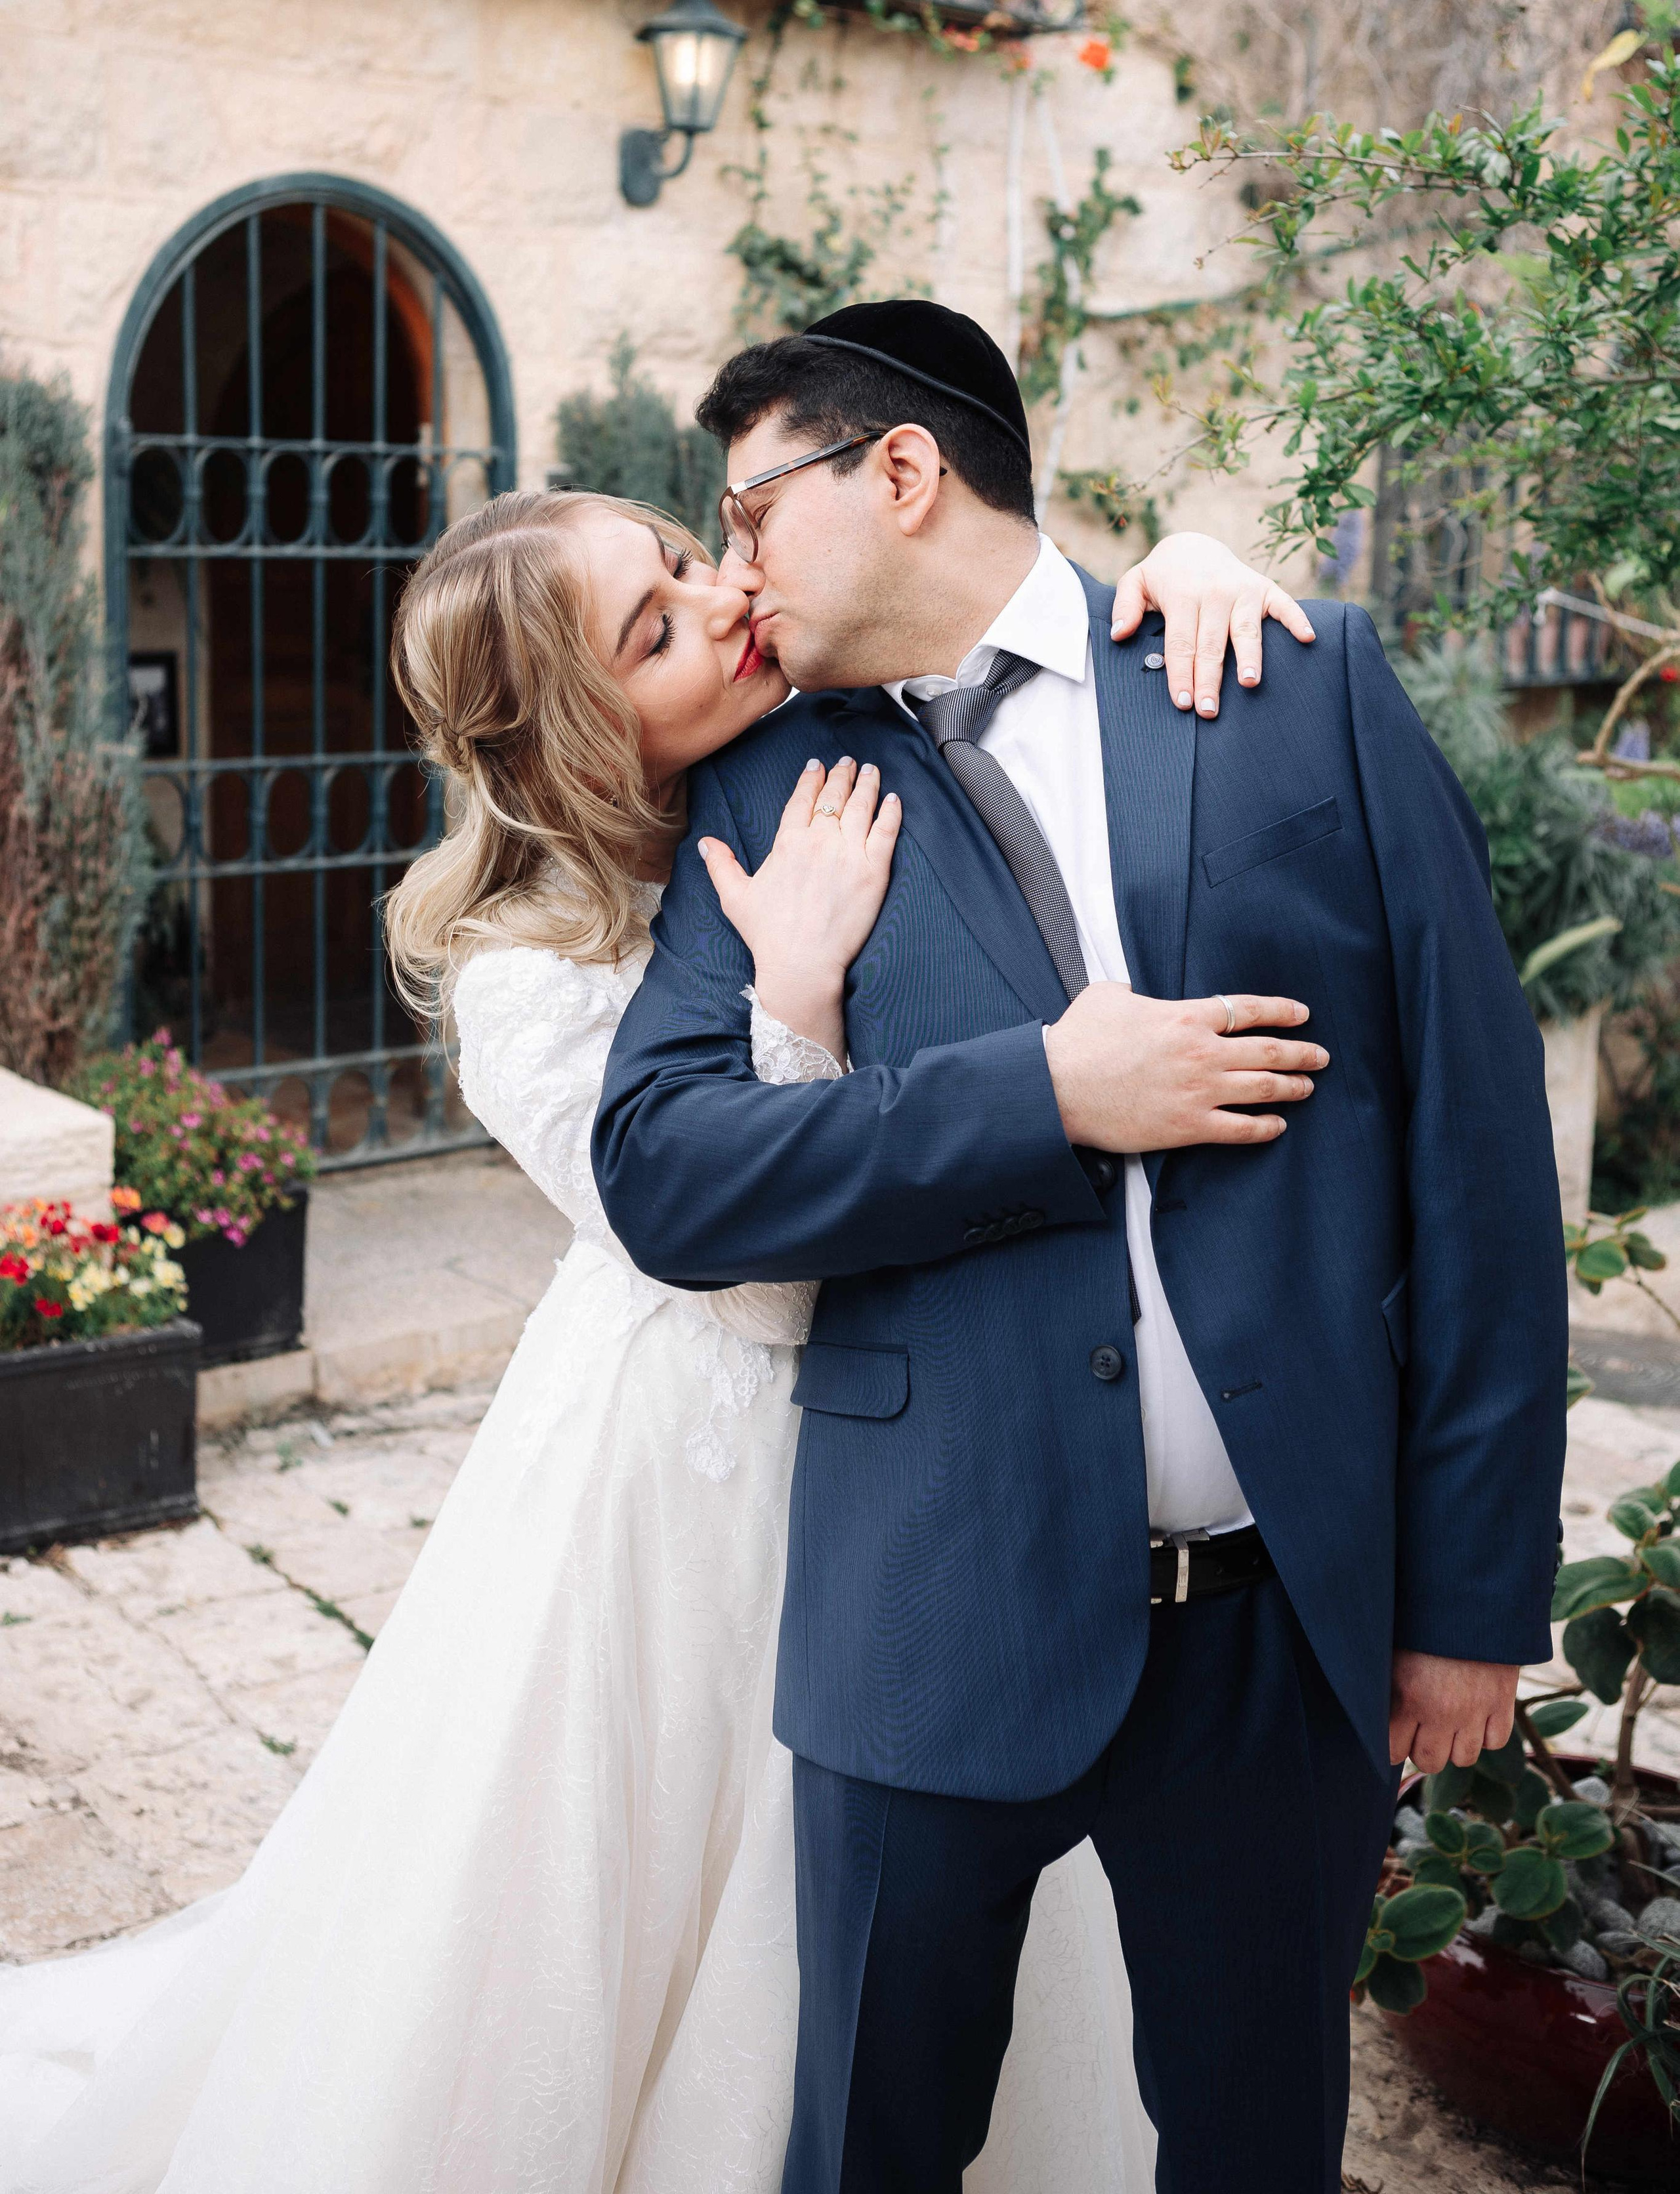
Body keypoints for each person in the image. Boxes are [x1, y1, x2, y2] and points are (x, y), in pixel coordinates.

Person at [0, 469, 1300, 2193]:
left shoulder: (826, 738)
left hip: (936, 1451)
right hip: (689, 1479)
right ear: (567, 736)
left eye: (688, 561)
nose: (723, 601)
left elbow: (1007, 639)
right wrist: (798, 996)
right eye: (656, 627)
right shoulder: (526, 983)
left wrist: (1185, 573)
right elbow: (753, 1284)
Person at [592, 299, 1571, 2194]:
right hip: (926, 1610)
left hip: (1277, 1641)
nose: (732, 576)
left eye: (748, 512)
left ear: (900, 471)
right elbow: (669, 1172)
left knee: (1259, 2149)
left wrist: (1466, 1601)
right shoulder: (767, 789)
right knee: (867, 2149)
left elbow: (1471, 1150)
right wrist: (1045, 1090)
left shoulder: (1293, 680)